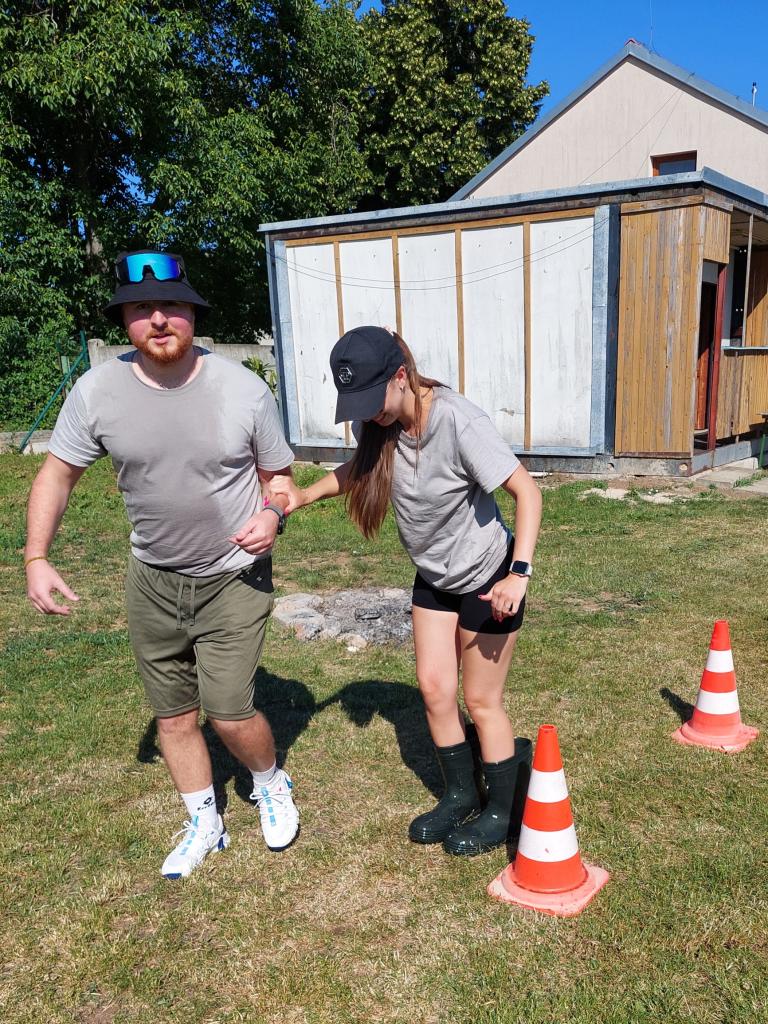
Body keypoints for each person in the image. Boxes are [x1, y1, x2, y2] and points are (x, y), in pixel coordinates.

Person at [24, 249, 299, 878]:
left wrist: (272, 514)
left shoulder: (243, 390)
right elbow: (57, 475)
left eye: (171, 305)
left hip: (233, 574)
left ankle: (268, 780)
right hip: (151, 579)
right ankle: (205, 819)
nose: (158, 319)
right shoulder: (96, 392)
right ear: (124, 320)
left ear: (192, 314)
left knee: (228, 709)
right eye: (141, 308)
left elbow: (279, 479)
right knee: (173, 716)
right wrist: (36, 555)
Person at [270, 326, 542, 856]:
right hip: (435, 578)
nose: (368, 415)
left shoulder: (458, 421)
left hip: (489, 577)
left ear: (401, 376)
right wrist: (302, 496)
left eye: (373, 400)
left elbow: (527, 493)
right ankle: (461, 794)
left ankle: (501, 811)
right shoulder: (384, 427)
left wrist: (519, 574)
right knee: (435, 691)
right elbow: (359, 469)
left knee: (480, 700)